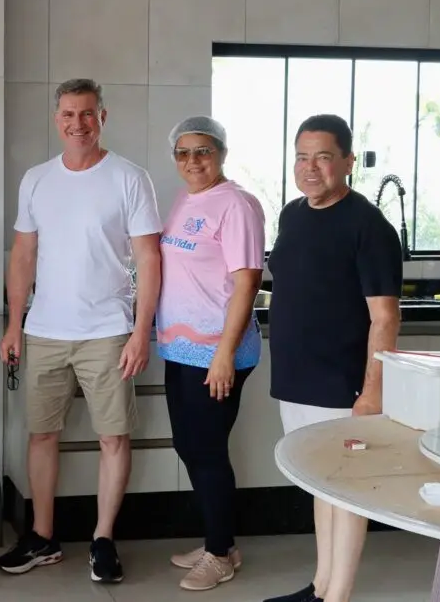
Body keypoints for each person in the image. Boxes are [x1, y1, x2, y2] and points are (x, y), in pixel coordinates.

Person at [0, 78, 163, 584]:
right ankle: (43, 537)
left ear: (102, 117)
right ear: (57, 119)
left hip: (109, 330)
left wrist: (140, 330)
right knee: (41, 433)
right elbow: (23, 255)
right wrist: (15, 323)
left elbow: (149, 258)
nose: (78, 124)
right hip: (45, 329)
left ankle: (103, 539)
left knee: (113, 437)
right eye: (69, 114)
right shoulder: (36, 180)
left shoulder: (130, 178)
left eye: (87, 114)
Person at [265, 114, 402, 602]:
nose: (310, 168)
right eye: (302, 156)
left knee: (347, 491)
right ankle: (320, 587)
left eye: (323, 157)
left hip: (343, 384)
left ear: (347, 160)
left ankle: (338, 595)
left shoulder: (368, 225)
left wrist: (372, 392)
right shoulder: (293, 214)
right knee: (319, 484)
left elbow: (385, 318)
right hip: (297, 379)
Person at [156, 117, 265, 592]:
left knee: (207, 450)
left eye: (203, 151)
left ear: (220, 152)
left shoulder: (236, 205)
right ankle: (219, 541)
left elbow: (248, 281)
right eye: (183, 153)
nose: (193, 161)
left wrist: (223, 354)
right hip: (181, 347)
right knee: (189, 446)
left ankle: (219, 554)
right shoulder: (186, 198)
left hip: (218, 352)